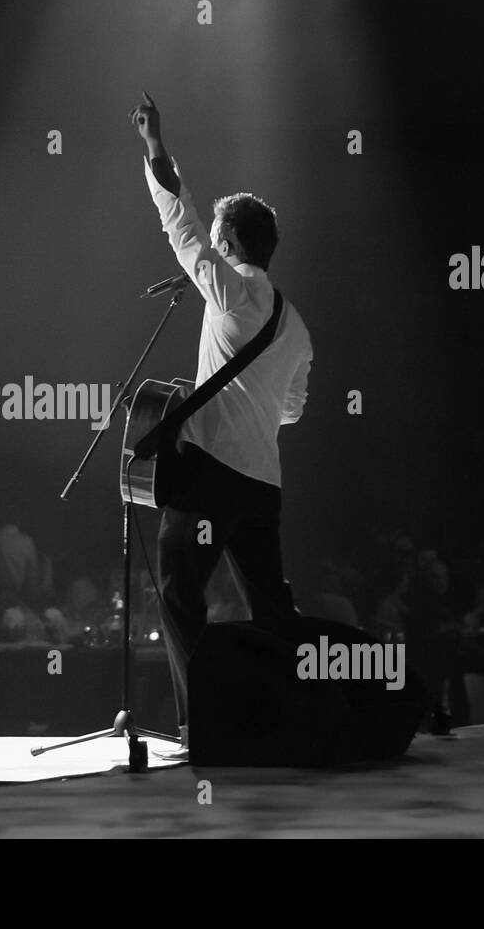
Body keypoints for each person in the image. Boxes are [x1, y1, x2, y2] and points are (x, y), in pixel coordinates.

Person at [129, 92, 313, 760]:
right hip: (262, 484)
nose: (210, 238)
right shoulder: (297, 326)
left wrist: (155, 146)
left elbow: (177, 222)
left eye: (217, 233)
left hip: (211, 477)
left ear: (230, 244)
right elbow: (290, 410)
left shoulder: (226, 288)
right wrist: (254, 404)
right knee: (273, 610)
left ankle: (200, 728)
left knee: (181, 596)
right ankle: (303, 716)